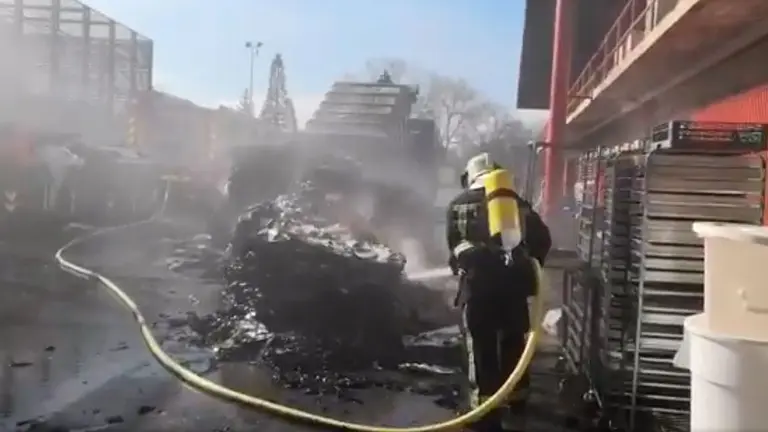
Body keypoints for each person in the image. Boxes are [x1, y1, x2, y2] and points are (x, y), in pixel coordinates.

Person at [446, 152, 551, 432]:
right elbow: (543, 239)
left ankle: (483, 411)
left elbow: (454, 247)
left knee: (480, 346)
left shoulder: (458, 204)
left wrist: (464, 265)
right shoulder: (518, 204)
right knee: (514, 342)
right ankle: (516, 402)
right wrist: (531, 266)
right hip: (514, 289)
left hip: (477, 290)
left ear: (470, 176)